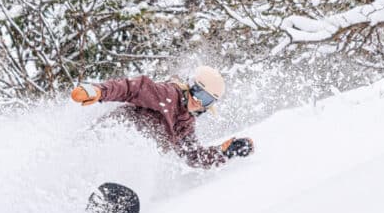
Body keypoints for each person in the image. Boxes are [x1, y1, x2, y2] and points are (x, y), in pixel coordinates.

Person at [70, 65, 254, 169]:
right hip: (108, 135)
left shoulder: (185, 124)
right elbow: (132, 88)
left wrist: (223, 152)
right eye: (199, 94)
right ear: (190, 86)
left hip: (124, 158)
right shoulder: (168, 95)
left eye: (206, 101)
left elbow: (193, 156)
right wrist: (99, 91)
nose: (199, 103)